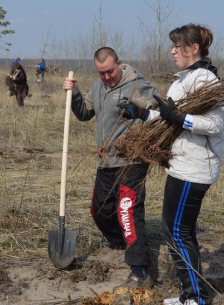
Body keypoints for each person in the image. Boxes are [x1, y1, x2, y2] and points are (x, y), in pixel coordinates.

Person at [119, 24, 224, 305]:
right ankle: (188, 294)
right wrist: (142, 113)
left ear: (193, 49)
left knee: (178, 232)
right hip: (181, 166)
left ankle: (195, 299)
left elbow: (214, 125)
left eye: (177, 46)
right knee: (177, 231)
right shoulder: (181, 81)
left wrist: (179, 117)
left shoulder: (206, 81)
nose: (172, 50)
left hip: (195, 169)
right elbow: (169, 119)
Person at [63, 47, 157, 288]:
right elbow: (84, 113)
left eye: (110, 71)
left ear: (119, 63)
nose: (106, 77)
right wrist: (74, 93)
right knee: (100, 210)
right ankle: (121, 241)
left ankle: (140, 270)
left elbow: (159, 112)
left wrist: (139, 111)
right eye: (101, 72)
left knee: (127, 211)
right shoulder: (98, 88)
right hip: (105, 161)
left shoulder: (136, 84)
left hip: (132, 160)